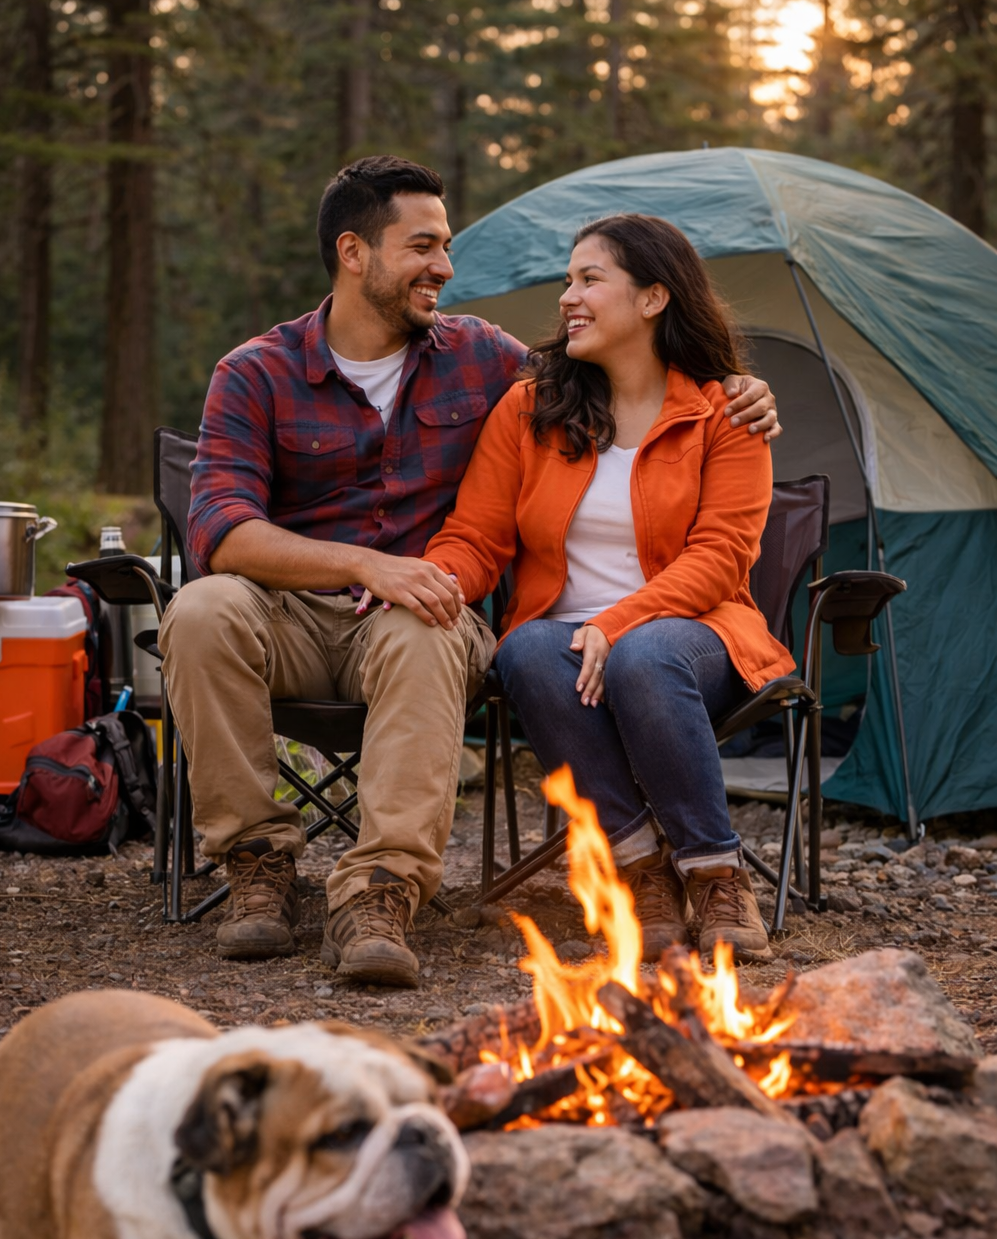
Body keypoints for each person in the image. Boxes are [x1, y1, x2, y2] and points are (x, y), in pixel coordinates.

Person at [158, 160, 782, 983]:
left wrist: (738, 386)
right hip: (294, 617)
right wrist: (389, 569)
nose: (446, 268)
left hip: (517, 625)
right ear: (354, 252)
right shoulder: (259, 372)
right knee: (204, 609)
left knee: (454, 626)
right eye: (423, 246)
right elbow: (226, 531)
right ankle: (256, 870)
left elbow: (691, 506)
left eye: (446, 246)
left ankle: (384, 891)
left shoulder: (491, 361)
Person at [425, 214, 794, 961]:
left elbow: (722, 557)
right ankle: (641, 872)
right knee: (526, 650)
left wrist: (617, 621)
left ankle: (717, 876)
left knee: (643, 655)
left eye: (590, 279)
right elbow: (477, 537)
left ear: (654, 298)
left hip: (696, 637)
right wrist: (423, 583)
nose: (569, 296)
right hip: (562, 653)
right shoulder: (530, 410)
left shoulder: (725, 413)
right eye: (568, 280)